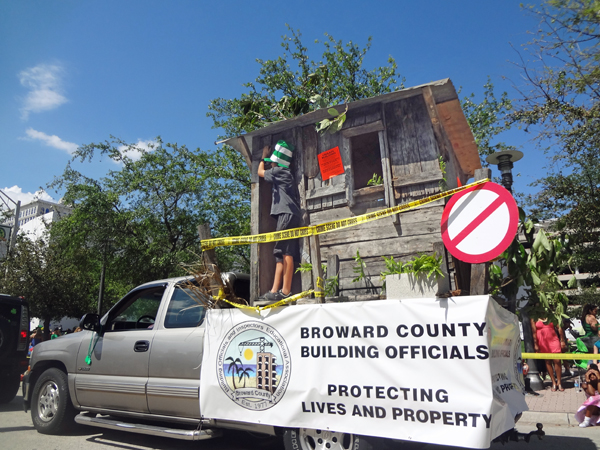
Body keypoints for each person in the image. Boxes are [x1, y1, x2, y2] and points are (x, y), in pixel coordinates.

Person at [257, 140, 302, 303]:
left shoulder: (280, 172)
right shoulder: (283, 173)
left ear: (278, 163)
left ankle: (285, 291)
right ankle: (275, 290)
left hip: (286, 213)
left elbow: (260, 172)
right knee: (281, 253)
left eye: (273, 163)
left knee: (286, 252)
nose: (271, 165)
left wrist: (263, 157)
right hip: (288, 214)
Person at [531, 317, 567, 391]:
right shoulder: (534, 317)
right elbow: (534, 332)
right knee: (547, 362)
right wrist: (535, 344)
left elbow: (559, 328)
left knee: (557, 361)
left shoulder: (551, 315)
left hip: (553, 340)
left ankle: (559, 382)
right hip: (542, 342)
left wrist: (562, 340)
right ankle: (553, 382)